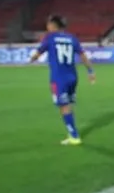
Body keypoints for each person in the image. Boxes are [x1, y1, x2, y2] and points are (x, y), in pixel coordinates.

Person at [29, 14, 94, 145]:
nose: (47, 27)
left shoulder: (50, 38)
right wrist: (90, 71)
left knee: (63, 106)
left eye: (48, 24)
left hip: (59, 78)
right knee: (68, 105)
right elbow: (83, 55)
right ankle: (71, 132)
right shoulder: (72, 38)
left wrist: (32, 59)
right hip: (73, 77)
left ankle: (74, 137)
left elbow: (37, 53)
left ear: (53, 25)